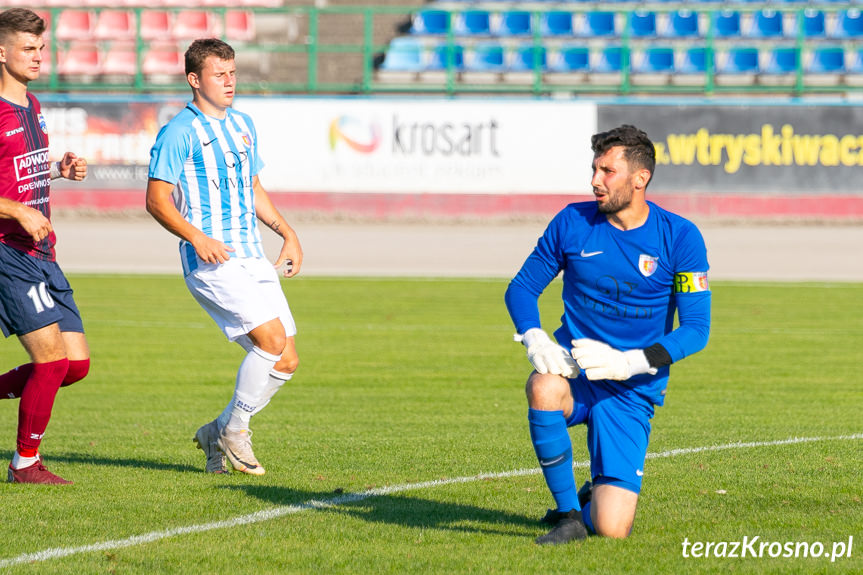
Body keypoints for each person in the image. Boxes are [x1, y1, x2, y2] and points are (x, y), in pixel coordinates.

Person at [504, 124, 711, 544]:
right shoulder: (571, 222)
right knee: (543, 386)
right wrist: (535, 338)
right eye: (594, 169)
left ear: (640, 178)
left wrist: (629, 362)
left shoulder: (681, 237)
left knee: (614, 530)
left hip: (631, 388)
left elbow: (696, 330)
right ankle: (567, 517)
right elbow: (521, 288)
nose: (595, 181)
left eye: (608, 171)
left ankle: (591, 500)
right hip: (577, 372)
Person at [146, 38, 302, 476]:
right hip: (211, 261)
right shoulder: (179, 131)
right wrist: (197, 238)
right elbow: (157, 201)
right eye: (219, 74)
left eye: (232, 73)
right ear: (194, 80)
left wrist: (287, 234)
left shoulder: (243, 124)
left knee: (287, 359)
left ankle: (218, 429)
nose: (229, 81)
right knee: (270, 343)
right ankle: (236, 433)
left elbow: (253, 189)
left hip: (252, 255)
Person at [0, 8, 90, 484]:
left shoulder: (31, 105)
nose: (37, 57)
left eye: (41, 47)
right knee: (50, 361)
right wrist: (15, 210)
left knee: (75, 366)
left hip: (42, 252)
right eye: (27, 48)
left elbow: (18, 172)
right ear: (1, 52)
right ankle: (25, 464)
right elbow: (10, 198)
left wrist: (58, 169)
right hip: (7, 252)